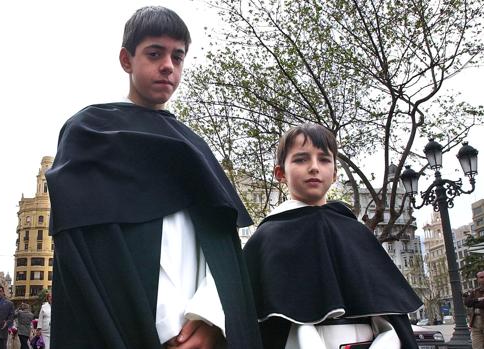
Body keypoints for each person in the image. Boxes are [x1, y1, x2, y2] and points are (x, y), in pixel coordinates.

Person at [45, 5, 262, 349]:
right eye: (155, 53)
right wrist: (159, 326)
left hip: (199, 331)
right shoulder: (90, 134)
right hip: (123, 325)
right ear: (126, 59)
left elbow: (222, 250)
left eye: (178, 57)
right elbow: (84, 250)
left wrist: (208, 319)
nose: (168, 66)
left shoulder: (193, 147)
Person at [243, 123, 423, 349]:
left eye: (324, 159)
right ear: (280, 173)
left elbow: (388, 315)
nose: (314, 167)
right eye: (300, 159)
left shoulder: (356, 232)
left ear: (335, 173)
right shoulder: (268, 236)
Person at [464, 271, 484, 348]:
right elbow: (467, 302)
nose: (483, 279)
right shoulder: (475, 291)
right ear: (478, 279)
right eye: (481, 277)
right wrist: (478, 300)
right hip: (475, 322)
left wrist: (474, 303)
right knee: (476, 346)